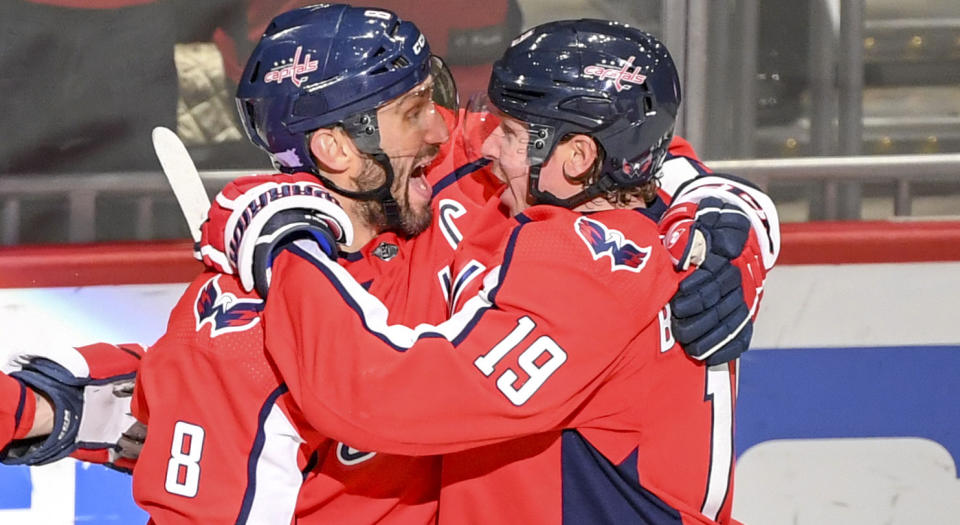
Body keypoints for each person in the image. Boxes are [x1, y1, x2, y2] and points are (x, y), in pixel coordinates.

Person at [1, 7, 772, 524]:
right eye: (414, 109)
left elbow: (618, 142)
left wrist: (722, 206)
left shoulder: (480, 189)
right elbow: (217, 413)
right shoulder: (255, 306)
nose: (453, 127)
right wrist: (56, 410)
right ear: (340, 146)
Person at [221, 18, 778, 524]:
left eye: (508, 132)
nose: (463, 136)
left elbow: (379, 398)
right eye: (412, 110)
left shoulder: (587, 255)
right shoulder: (639, 216)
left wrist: (290, 249)